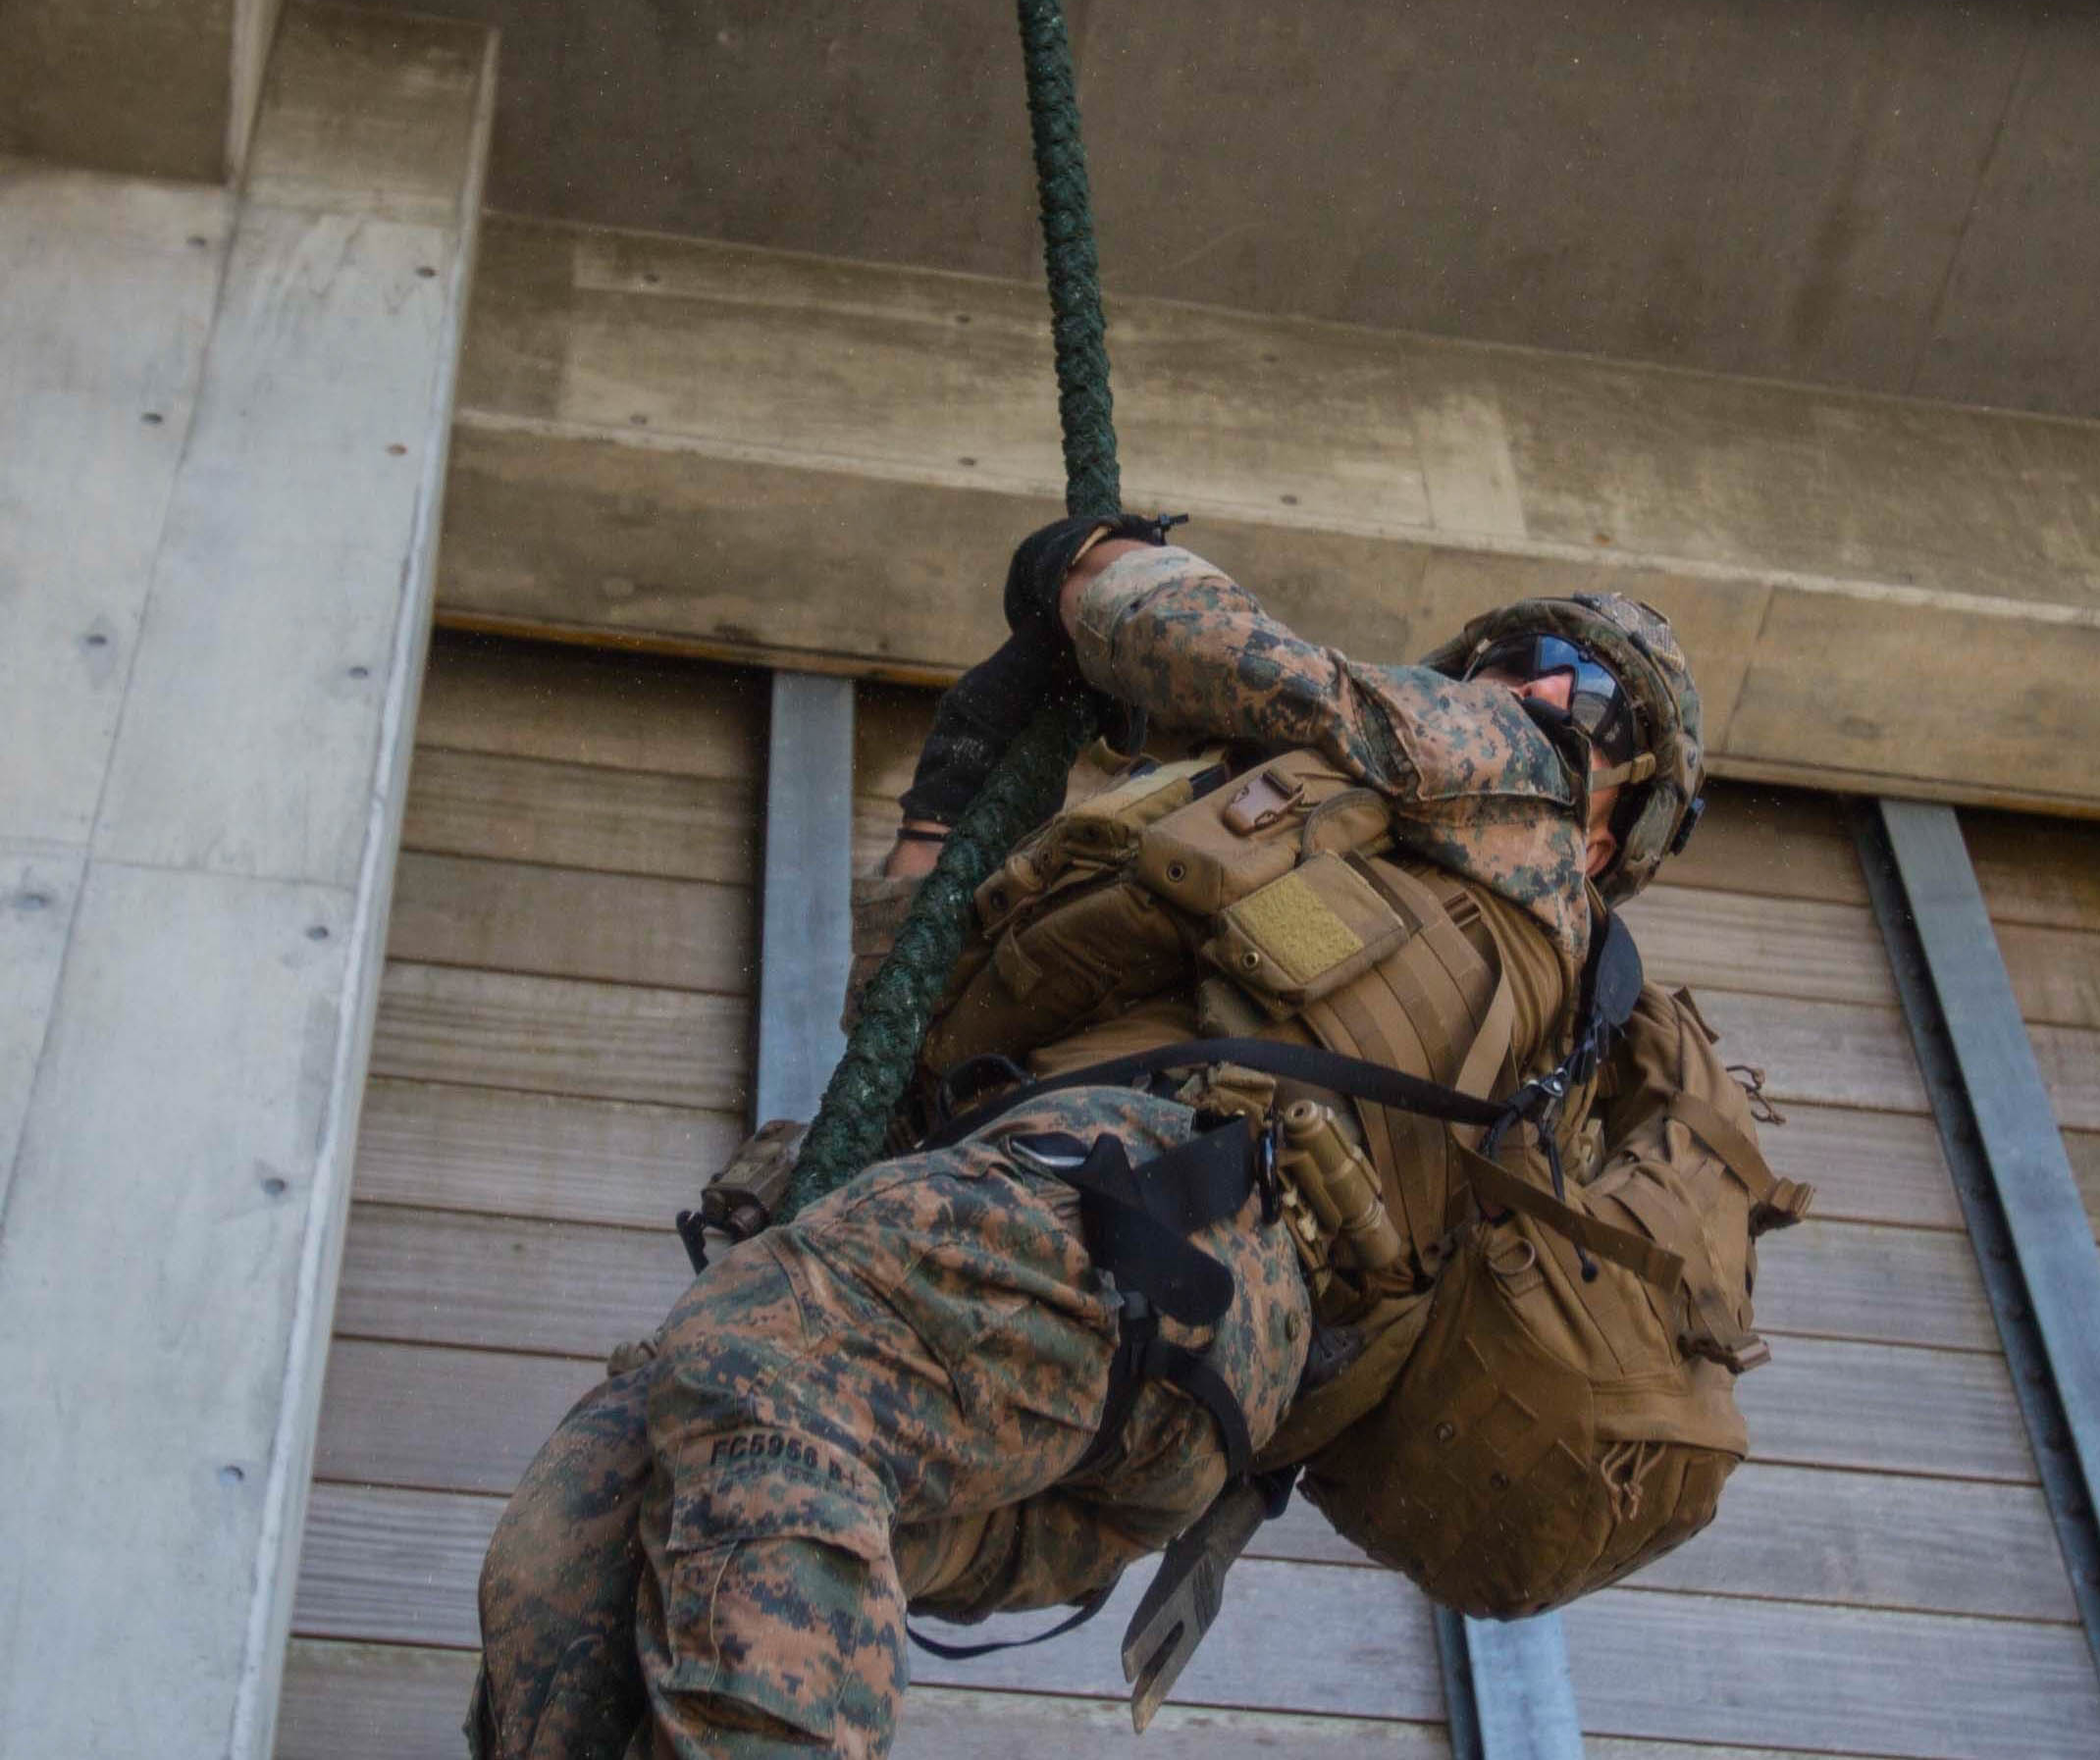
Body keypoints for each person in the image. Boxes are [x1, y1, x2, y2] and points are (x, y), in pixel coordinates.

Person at [466, 515, 1708, 1759]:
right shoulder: (1327, 848)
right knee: (590, 1534)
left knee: (770, 1357)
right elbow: (908, 1030)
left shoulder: (1512, 780)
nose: (1540, 686)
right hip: (1140, 1375)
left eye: (1587, 692)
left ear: (1608, 836)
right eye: (1530, 650)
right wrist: (953, 788)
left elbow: (1203, 643)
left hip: (1156, 1234)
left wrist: (1093, 565)